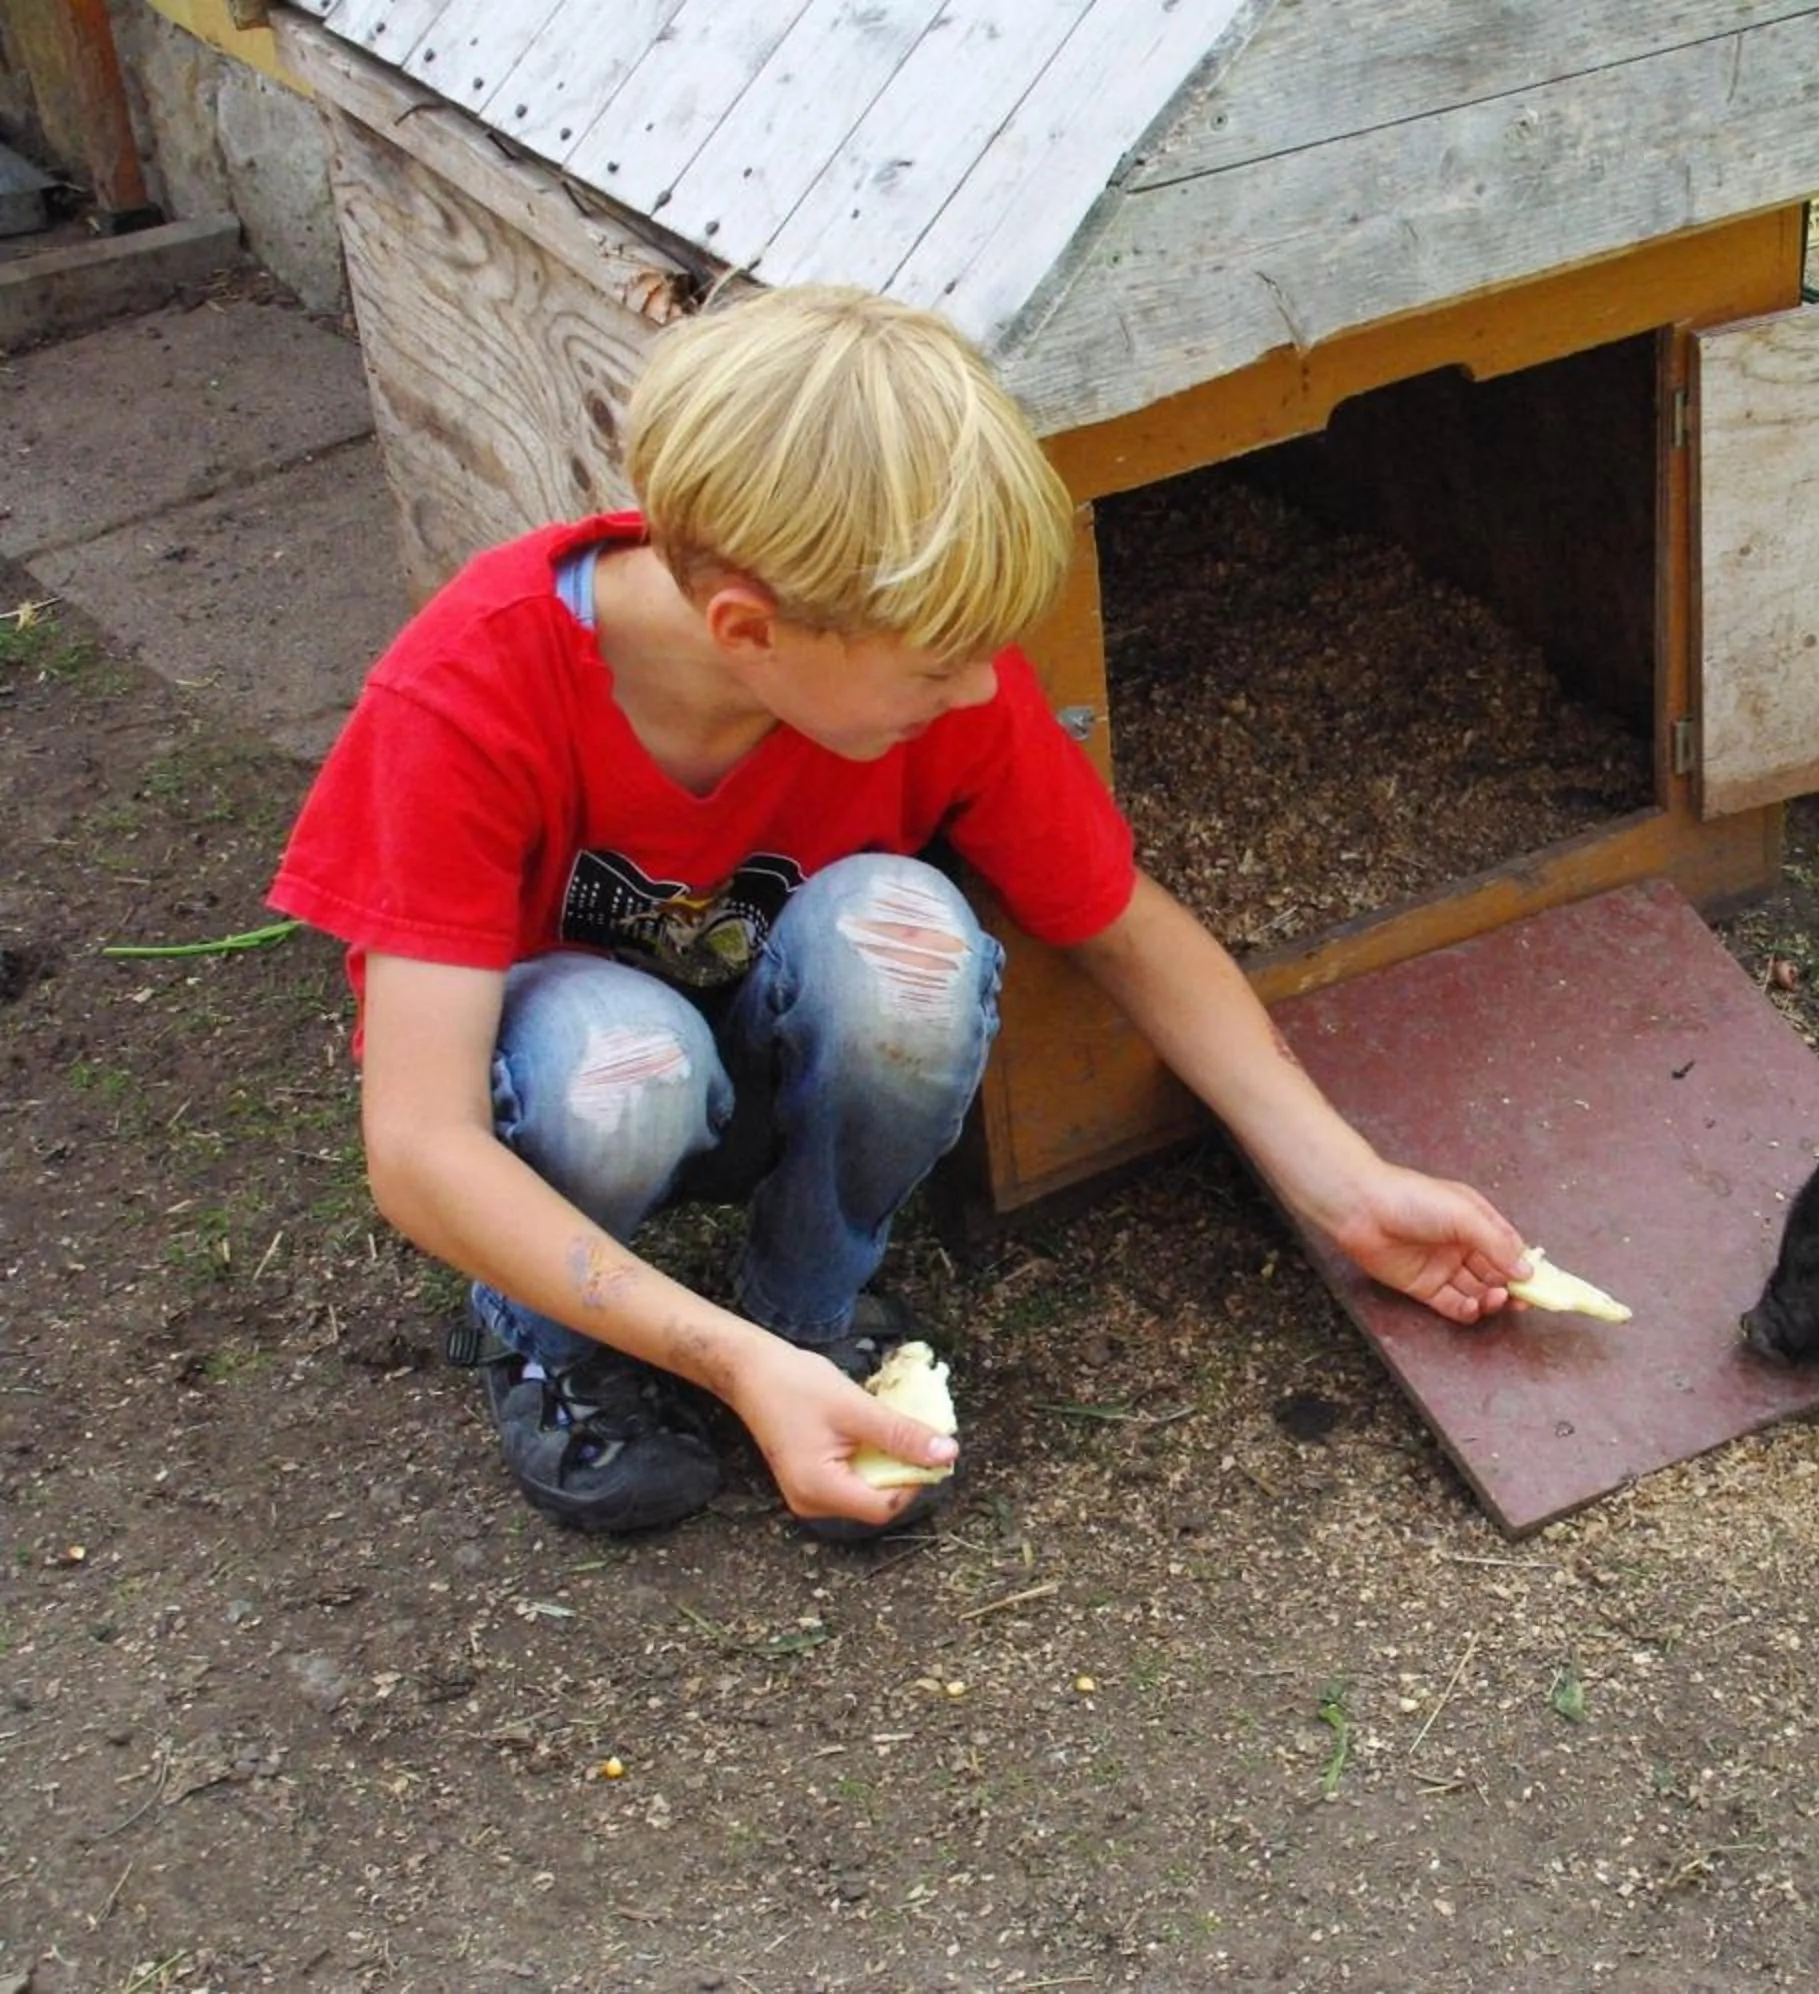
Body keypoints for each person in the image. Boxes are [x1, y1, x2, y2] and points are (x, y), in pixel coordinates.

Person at [269, 283, 1531, 1539]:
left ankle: (806, 1308)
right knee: (621, 1052)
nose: (979, 686)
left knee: (908, 936)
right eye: (938, 666)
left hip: (769, 1059)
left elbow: (1120, 920)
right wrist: (719, 1365)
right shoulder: (467, 691)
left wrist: (1348, 1185)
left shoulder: (921, 670)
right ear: (746, 627)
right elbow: (421, 1148)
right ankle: (551, 1336)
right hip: (579, 1097)